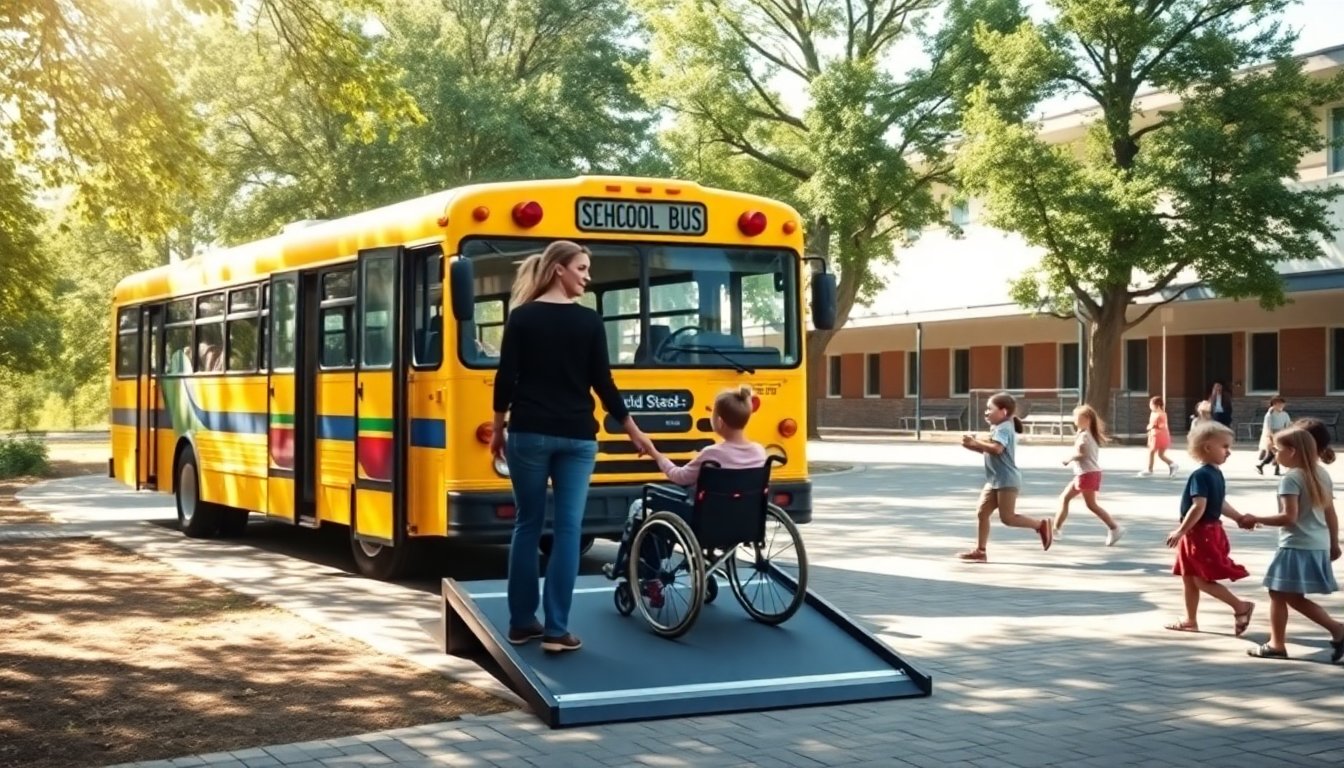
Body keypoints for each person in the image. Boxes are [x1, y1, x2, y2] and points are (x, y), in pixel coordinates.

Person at [490, 240, 655, 654]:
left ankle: (522, 623)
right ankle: (557, 630)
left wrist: (498, 429)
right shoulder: (588, 322)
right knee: (567, 531)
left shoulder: (522, 318)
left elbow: (505, 380)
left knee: (527, 526)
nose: (587, 276)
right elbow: (604, 384)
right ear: (559, 269)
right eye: (581, 268)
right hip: (578, 438)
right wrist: (633, 430)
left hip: (528, 434)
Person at [605, 385, 767, 580]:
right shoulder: (759, 451)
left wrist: (655, 453)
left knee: (641, 506)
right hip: (746, 522)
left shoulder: (712, 455)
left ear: (720, 422)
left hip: (705, 523)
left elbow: (678, 477)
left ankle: (646, 571)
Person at [1237, 425, 1344, 661]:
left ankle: (1276, 645)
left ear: (1292, 451)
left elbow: (1289, 517)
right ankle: (1337, 630)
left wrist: (1255, 519)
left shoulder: (1292, 478)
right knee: (1292, 596)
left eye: (1278, 450)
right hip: (1317, 543)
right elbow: (1331, 513)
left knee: (1277, 593)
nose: (1275, 455)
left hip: (1295, 545)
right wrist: (1334, 543)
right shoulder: (1320, 473)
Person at [1164, 421, 1255, 635]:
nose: (1229, 452)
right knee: (1188, 577)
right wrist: (1239, 518)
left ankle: (1241, 606)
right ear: (1207, 447)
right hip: (1203, 532)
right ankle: (1190, 620)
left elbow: (1199, 506)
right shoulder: (1210, 474)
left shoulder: (1203, 474)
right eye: (1225, 446)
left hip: (1200, 533)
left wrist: (1181, 531)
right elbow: (1219, 504)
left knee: (1200, 580)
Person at [957, 392, 1052, 563]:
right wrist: (972, 446)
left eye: (990, 409)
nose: (986, 412)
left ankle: (1041, 525)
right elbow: (990, 451)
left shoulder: (1004, 428)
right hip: (994, 481)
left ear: (1004, 412)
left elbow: (997, 449)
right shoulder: (998, 427)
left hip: (1007, 480)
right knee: (982, 512)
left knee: (1007, 518)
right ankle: (980, 551)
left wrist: (976, 442)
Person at [1054, 404, 1124, 546]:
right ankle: (1056, 529)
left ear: (1086, 419)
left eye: (1076, 417)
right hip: (1085, 473)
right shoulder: (1086, 433)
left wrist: (1069, 459)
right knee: (1064, 498)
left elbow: (1082, 453)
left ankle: (1115, 528)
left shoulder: (1085, 435)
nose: (1074, 420)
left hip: (1087, 474)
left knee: (1091, 505)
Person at [1140, 396, 1178, 477]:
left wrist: (1151, 426)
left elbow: (1161, 426)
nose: (1150, 406)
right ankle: (1172, 464)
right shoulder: (1153, 413)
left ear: (1156, 405)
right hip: (1155, 435)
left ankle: (1150, 469)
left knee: (1152, 452)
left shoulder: (1161, 414)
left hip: (1159, 436)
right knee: (1159, 454)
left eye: (1151, 404)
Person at [1255, 396, 1292, 476]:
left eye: (1282, 404)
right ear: (1274, 405)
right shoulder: (1269, 415)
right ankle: (1274, 469)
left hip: (1281, 434)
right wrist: (1271, 437)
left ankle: (1262, 466)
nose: (1281, 406)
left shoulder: (1285, 414)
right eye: (1279, 404)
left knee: (1274, 453)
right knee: (1276, 452)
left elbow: (1288, 424)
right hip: (1272, 435)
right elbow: (1268, 427)